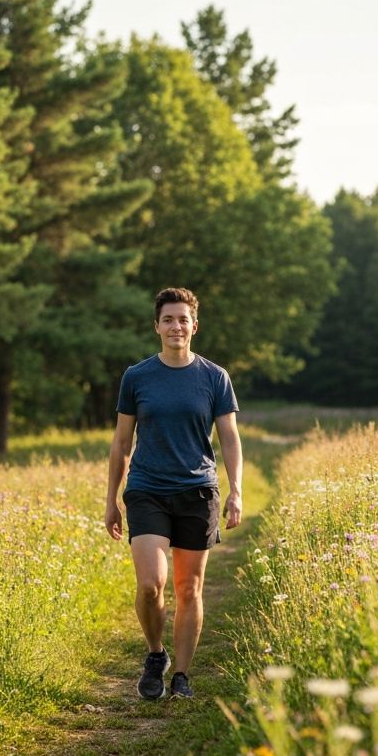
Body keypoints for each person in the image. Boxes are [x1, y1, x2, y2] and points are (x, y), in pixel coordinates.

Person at [105, 287, 243, 700]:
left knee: (188, 589)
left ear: (194, 326)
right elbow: (121, 443)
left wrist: (236, 490)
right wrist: (111, 499)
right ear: (157, 327)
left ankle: (181, 676)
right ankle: (155, 654)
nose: (176, 326)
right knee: (151, 584)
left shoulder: (214, 377)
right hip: (147, 489)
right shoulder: (138, 376)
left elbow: (230, 439)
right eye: (168, 319)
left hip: (198, 492)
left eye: (183, 319)